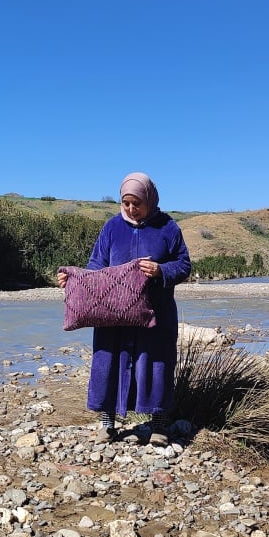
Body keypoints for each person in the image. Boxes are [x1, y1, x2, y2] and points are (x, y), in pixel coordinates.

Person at [57, 172, 191, 444]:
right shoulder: (111, 228)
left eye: (136, 203)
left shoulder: (168, 228)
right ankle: (107, 425)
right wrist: (74, 281)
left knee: (156, 365)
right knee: (108, 363)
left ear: (149, 199)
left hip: (156, 313)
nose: (131, 208)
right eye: (126, 202)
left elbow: (184, 265)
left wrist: (161, 270)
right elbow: (96, 266)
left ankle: (159, 427)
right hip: (113, 314)